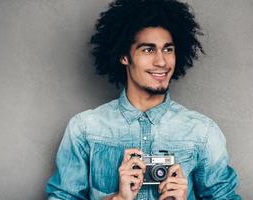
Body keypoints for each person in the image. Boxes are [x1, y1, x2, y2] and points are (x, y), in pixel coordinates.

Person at [46, 0, 241, 199]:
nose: (161, 61)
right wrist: (118, 198)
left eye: (168, 49)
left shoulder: (203, 132)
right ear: (124, 56)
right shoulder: (84, 129)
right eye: (148, 50)